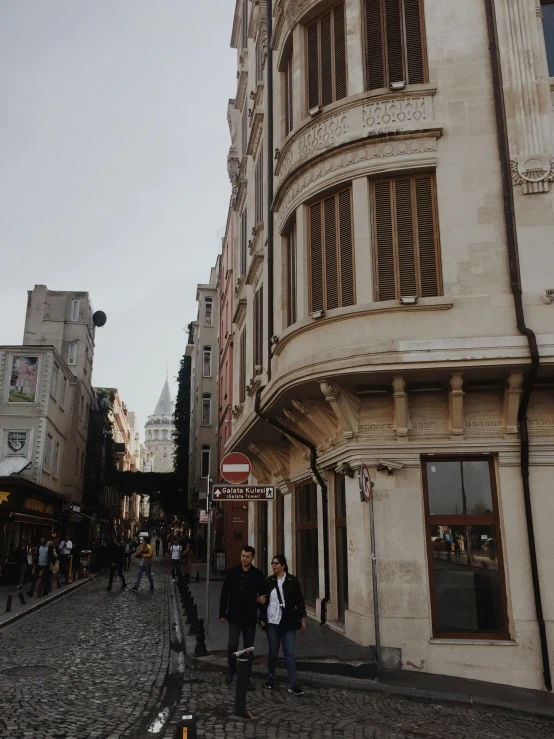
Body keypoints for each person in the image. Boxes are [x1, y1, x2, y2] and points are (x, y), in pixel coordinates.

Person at [219, 545, 267, 690]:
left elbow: (263, 597)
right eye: (242, 556)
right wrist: (222, 613)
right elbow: (225, 593)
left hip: (249, 616)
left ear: (252, 558)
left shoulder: (258, 574)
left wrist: (262, 616)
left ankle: (246, 677)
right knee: (233, 644)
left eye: (247, 556)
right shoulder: (233, 572)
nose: (244, 559)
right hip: (234, 615)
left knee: (248, 648)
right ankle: (231, 669)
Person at [259, 554, 306, 696]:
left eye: (276, 563)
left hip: (289, 621)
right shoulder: (268, 581)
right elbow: (262, 601)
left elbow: (299, 601)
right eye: (272, 563)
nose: (273, 565)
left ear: (283, 565)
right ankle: (270, 678)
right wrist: (261, 618)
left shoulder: (292, 581)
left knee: (289, 653)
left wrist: (303, 619)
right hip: (272, 621)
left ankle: (293, 683)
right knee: (273, 650)